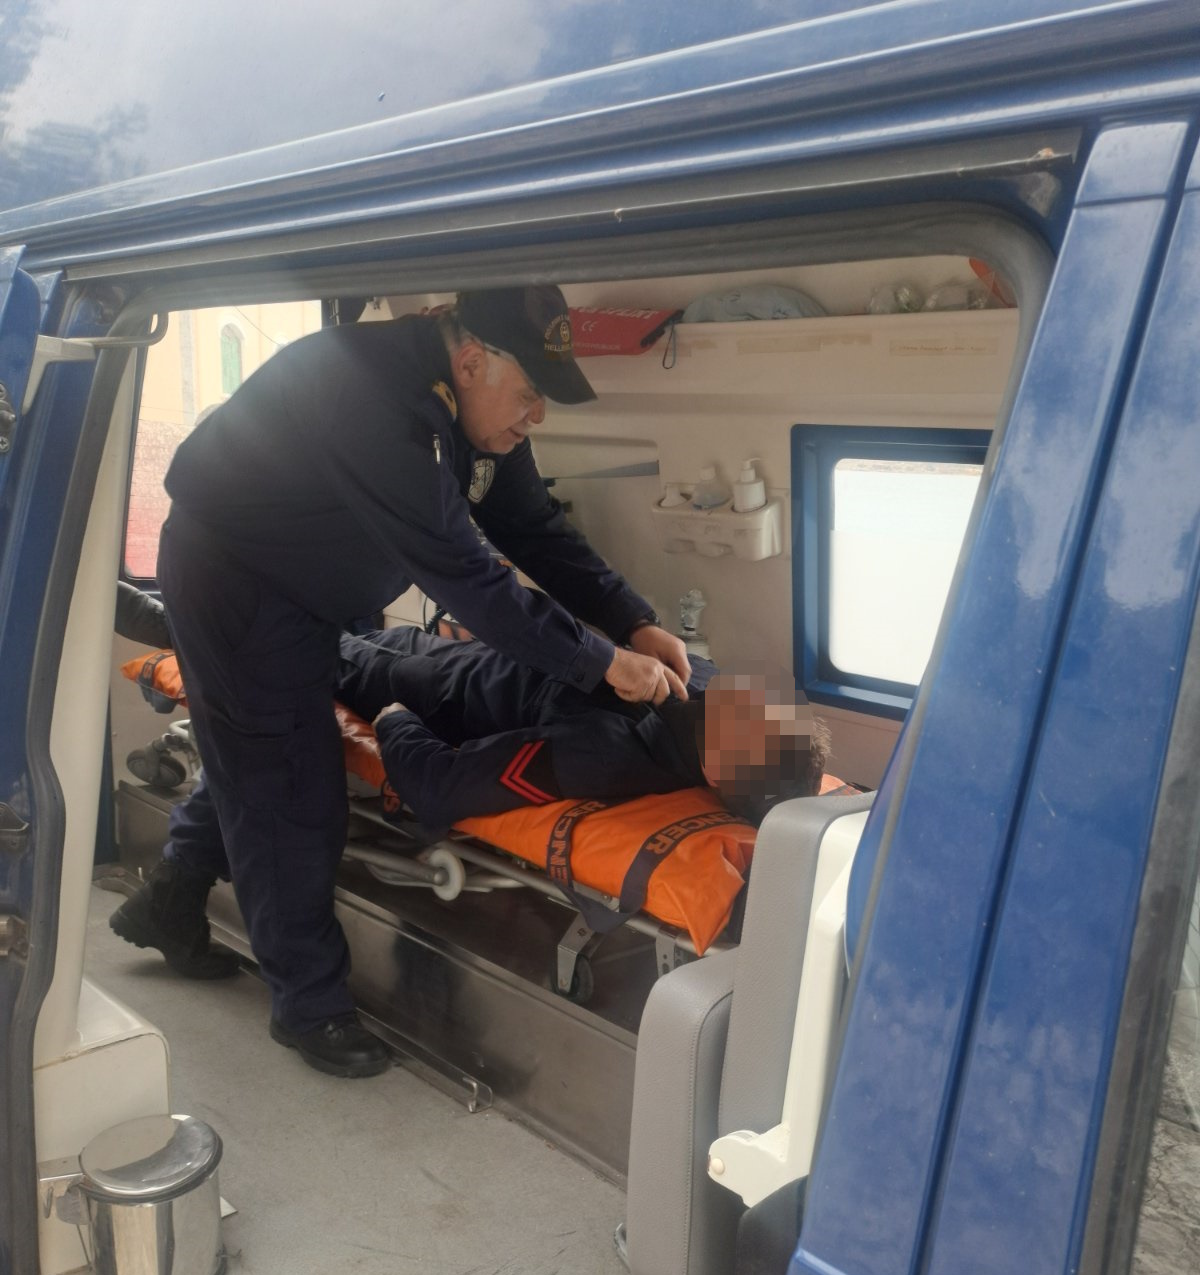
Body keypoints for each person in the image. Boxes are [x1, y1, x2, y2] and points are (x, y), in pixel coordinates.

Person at [113, 286, 690, 1078]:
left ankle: (171, 901)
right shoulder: (372, 400)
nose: (537, 416)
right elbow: (473, 582)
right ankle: (308, 1006)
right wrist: (604, 662)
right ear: (472, 361)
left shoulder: (474, 410)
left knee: (260, 749)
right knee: (290, 784)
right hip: (243, 584)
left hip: (308, 582)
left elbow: (534, 528)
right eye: (530, 393)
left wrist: (633, 620)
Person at [333, 626, 829, 833]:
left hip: (436, 688)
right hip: (474, 650)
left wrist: (395, 722)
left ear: (717, 771)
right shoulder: (703, 686)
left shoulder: (605, 753)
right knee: (367, 626)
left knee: (321, 645)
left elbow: (438, 788)